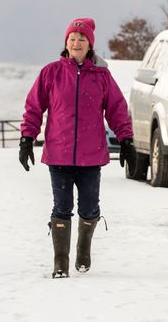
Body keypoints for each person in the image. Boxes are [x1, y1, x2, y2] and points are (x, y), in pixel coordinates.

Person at [18, 17, 136, 278]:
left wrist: (126, 140)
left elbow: (117, 110)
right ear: (66, 43)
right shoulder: (51, 73)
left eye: (81, 39)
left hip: (91, 156)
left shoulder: (102, 77)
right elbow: (34, 107)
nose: (76, 42)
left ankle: (83, 249)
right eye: (72, 38)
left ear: (90, 44)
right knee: (61, 208)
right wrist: (27, 138)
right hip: (58, 154)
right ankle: (60, 262)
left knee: (89, 208)